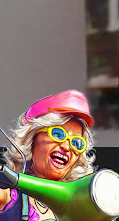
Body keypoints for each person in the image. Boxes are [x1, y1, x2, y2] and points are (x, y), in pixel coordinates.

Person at [0, 91, 95, 220]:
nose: (67, 147)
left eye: (76, 143)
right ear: (31, 139)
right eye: (57, 134)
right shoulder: (7, 198)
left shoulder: (78, 209)